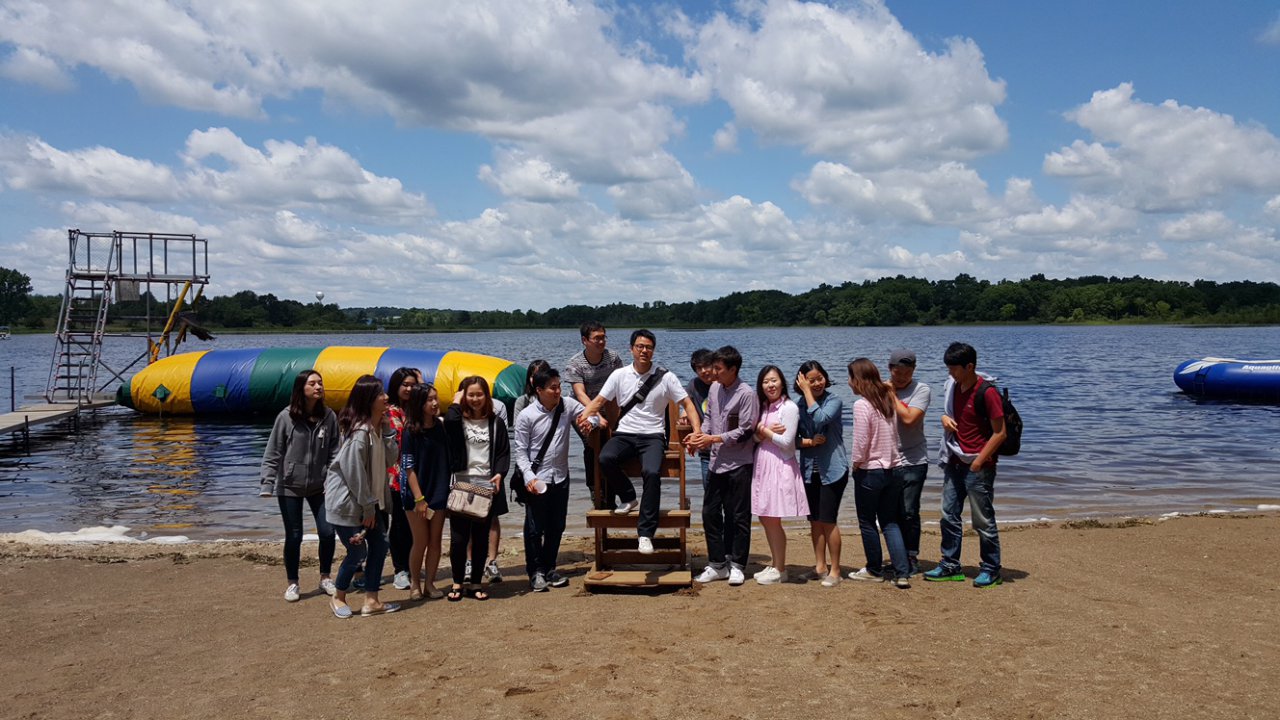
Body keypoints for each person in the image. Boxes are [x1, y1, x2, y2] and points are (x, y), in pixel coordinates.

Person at [579, 329, 700, 555]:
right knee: (605, 458)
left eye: (649, 347)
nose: (644, 351)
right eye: (640, 346)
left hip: (653, 436)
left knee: (651, 472)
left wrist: (698, 431)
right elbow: (599, 401)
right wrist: (584, 417)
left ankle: (645, 533)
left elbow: (687, 404)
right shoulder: (619, 375)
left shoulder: (666, 377)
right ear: (631, 349)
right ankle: (628, 497)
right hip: (624, 434)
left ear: (653, 350)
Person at [925, 342, 1006, 589]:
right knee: (948, 514)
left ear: (970, 366)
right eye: (948, 368)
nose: (950, 373)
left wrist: (979, 461)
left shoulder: (987, 392)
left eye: (954, 368)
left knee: (983, 520)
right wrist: (944, 418)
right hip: (954, 459)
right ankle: (950, 565)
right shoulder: (953, 386)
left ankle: (991, 569)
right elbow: (949, 413)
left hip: (979, 465)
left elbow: (1000, 433)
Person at [259, 369, 340, 603]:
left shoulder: (329, 416)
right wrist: (267, 483)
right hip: (290, 486)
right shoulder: (286, 417)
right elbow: (273, 451)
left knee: (328, 532)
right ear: (301, 389)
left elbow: (335, 451)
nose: (318, 387)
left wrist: (331, 479)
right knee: (294, 536)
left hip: (320, 486)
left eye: (320, 383)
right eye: (312, 383)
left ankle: (325, 577)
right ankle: (293, 583)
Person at [325, 374, 400, 618]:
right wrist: (367, 507)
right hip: (349, 504)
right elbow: (353, 471)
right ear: (368, 400)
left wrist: (388, 431)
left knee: (380, 545)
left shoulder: (377, 428)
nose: (386, 397)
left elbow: (390, 460)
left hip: (370, 501)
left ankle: (372, 601)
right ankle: (338, 597)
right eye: (380, 394)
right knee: (357, 552)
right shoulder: (359, 433)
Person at [513, 367, 590, 591]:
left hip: (561, 476)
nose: (558, 391)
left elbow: (587, 414)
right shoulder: (527, 416)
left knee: (557, 525)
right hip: (537, 478)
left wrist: (591, 422)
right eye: (552, 388)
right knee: (535, 528)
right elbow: (520, 453)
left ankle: (549, 568)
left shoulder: (567, 405)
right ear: (539, 390)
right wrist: (529, 477)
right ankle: (535, 571)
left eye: (559, 386)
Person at [685, 346, 756, 586]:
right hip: (716, 462)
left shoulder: (747, 394)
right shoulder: (715, 388)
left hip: (739, 463)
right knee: (710, 513)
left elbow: (745, 431)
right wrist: (698, 438)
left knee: (739, 516)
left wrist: (713, 439)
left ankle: (737, 565)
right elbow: (709, 419)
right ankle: (717, 564)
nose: (713, 373)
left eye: (718, 368)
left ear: (733, 369)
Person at [443, 376, 510, 601]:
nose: (475, 399)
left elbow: (503, 452)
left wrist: (500, 473)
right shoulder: (457, 421)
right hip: (461, 482)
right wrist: (456, 401)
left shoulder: (495, 422)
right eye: (470, 394)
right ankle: (457, 582)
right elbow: (449, 420)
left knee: (481, 537)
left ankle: (476, 583)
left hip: (486, 483)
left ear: (487, 396)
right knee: (458, 539)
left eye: (479, 394)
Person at [846, 358, 910, 588]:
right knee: (890, 521)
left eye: (851, 377)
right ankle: (902, 572)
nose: (848, 382)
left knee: (867, 521)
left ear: (858, 379)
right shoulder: (887, 399)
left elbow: (861, 441)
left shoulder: (862, 405)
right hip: (895, 468)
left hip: (871, 470)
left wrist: (855, 463)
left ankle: (874, 569)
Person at [749, 365, 809, 585]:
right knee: (765, 517)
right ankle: (775, 563)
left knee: (773, 518)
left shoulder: (789, 407)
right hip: (763, 464)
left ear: (782, 382)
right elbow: (755, 438)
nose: (770, 385)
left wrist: (764, 431)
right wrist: (761, 433)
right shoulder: (764, 406)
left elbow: (787, 443)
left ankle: (780, 568)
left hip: (779, 465)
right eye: (765, 382)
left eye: (774, 380)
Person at [795, 360, 849, 587]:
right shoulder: (797, 405)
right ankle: (820, 567)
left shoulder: (834, 400)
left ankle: (835, 570)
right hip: (809, 471)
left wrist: (807, 392)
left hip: (833, 470)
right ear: (801, 381)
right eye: (811, 380)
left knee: (828, 520)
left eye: (820, 378)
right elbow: (792, 440)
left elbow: (821, 418)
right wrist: (808, 442)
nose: (817, 383)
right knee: (815, 521)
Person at [564, 321, 623, 507]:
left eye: (603, 337)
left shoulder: (613, 358)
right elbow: (580, 394)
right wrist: (597, 416)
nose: (601, 342)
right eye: (596, 338)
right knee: (591, 442)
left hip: (610, 406)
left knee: (613, 444)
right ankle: (594, 488)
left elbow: (621, 385)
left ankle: (611, 492)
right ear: (585, 340)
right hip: (583, 408)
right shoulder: (575, 364)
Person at [400, 383, 450, 600]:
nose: (435, 403)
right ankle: (415, 583)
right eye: (429, 399)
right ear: (419, 403)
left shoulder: (441, 427)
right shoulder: (410, 430)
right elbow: (408, 467)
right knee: (420, 541)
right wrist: (419, 498)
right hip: (415, 494)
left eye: (436, 398)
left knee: (435, 541)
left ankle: (430, 583)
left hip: (439, 490)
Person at [886, 349, 931, 576]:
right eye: (898, 372)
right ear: (890, 369)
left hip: (914, 459)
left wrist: (891, 395)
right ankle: (898, 556)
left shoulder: (921, 389)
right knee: (891, 513)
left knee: (909, 511)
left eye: (907, 372)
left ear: (914, 370)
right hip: (889, 460)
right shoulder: (882, 388)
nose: (902, 377)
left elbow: (910, 419)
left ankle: (911, 556)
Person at [385, 367, 419, 591]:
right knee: (399, 523)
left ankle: (410, 564)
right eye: (405, 385)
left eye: (413, 385)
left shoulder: (416, 410)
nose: (409, 389)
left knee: (414, 523)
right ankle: (400, 569)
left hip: (417, 474)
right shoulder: (390, 412)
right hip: (396, 476)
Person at [683, 348, 715, 487]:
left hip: (726, 449)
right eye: (699, 368)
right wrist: (684, 416)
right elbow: (687, 405)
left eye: (707, 366)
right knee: (709, 492)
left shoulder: (724, 383)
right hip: (706, 450)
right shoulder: (694, 385)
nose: (703, 371)